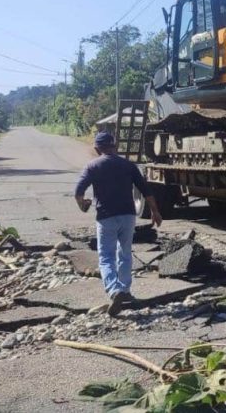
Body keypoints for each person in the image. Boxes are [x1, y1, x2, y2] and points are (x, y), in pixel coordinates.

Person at [74, 132, 161, 315]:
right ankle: (126, 290)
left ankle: (115, 290)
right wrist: (155, 211)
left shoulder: (92, 166)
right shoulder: (128, 165)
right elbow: (145, 189)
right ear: (114, 146)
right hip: (128, 216)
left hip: (106, 217)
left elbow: (79, 191)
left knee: (106, 256)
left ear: (97, 148)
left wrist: (83, 205)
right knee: (125, 252)